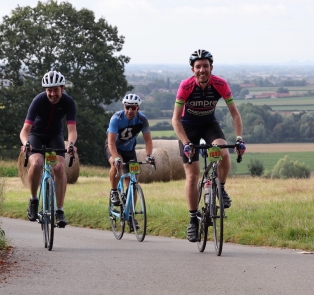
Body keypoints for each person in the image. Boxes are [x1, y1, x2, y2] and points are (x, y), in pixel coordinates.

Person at [171, 49, 246, 242]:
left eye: (205, 66)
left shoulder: (220, 84)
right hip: (188, 128)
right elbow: (175, 121)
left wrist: (238, 138)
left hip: (209, 125)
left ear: (211, 67)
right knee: (193, 174)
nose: (202, 70)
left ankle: (220, 187)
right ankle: (192, 220)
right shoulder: (185, 86)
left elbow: (235, 114)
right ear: (192, 69)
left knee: (223, 152)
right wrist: (186, 143)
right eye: (198, 67)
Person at [20, 71, 77, 228]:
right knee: (37, 164)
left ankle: (59, 210)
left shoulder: (68, 102)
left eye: (55, 90)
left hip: (54, 137)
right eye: (49, 90)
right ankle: (33, 200)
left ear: (62, 88)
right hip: (36, 136)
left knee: (58, 168)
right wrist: (26, 143)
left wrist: (71, 144)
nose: (52, 94)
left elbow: (72, 130)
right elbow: (25, 130)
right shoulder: (38, 101)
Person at [105, 94, 155, 230]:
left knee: (133, 179)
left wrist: (149, 155)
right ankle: (114, 191)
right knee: (117, 164)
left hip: (129, 150)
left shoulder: (142, 119)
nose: (129, 110)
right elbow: (110, 142)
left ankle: (130, 213)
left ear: (137, 108)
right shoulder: (116, 118)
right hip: (113, 148)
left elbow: (148, 140)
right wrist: (115, 158)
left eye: (133, 107)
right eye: (127, 107)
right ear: (124, 107)